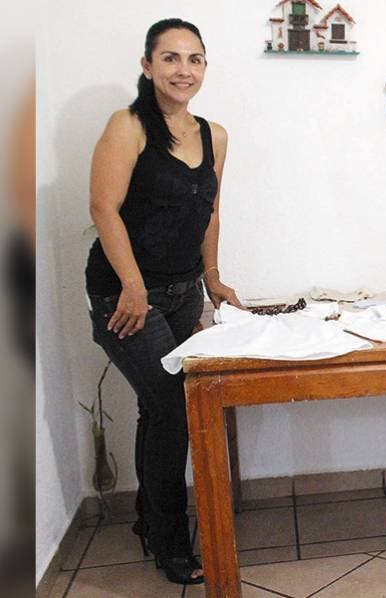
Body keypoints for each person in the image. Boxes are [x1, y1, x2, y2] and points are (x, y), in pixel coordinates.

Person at [84, 18, 242, 585]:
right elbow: (103, 208)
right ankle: (172, 544)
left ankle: (150, 521)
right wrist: (131, 286)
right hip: (124, 295)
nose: (184, 70)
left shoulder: (214, 135)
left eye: (194, 59)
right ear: (147, 65)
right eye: (170, 58)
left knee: (160, 409)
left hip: (181, 293)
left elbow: (209, 211)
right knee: (174, 409)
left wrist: (212, 277)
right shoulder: (127, 127)